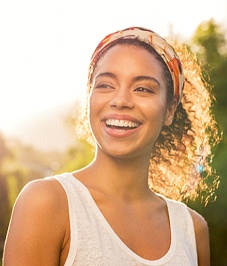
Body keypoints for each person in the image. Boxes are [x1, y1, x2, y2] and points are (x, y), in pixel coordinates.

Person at [3, 26, 220, 266]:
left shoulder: (192, 230)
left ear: (169, 110)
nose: (120, 101)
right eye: (105, 85)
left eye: (142, 89)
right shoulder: (46, 203)